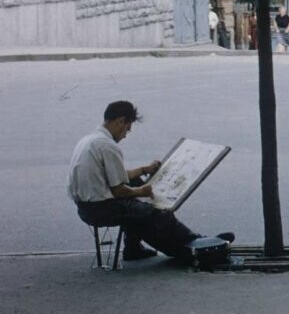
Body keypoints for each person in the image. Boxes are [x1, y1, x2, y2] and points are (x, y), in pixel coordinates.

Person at [67, 100, 234, 262]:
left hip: (86, 208)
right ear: (120, 122)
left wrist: (144, 170)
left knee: (137, 191)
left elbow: (115, 176)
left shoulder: (90, 140)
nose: (125, 135)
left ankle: (133, 249)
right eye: (127, 129)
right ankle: (190, 244)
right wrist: (142, 192)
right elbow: (119, 190)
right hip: (102, 209)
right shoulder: (108, 146)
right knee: (155, 212)